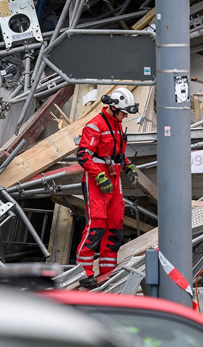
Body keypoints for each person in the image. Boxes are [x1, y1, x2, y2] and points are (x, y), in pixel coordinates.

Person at [75, 87, 140, 288]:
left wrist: (127, 164)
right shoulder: (95, 126)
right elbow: (83, 155)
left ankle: (107, 272)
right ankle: (83, 272)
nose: (126, 115)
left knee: (115, 225)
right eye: (123, 111)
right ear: (113, 107)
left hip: (113, 176)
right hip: (97, 178)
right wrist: (99, 176)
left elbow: (116, 152)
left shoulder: (117, 124)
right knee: (96, 225)